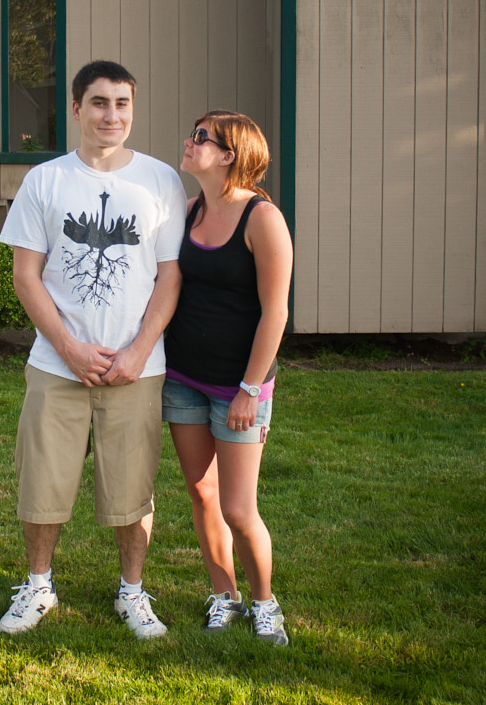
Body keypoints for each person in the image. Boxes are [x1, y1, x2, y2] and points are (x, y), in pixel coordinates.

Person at [0, 60, 186, 639]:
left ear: (133, 109)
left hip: (137, 369)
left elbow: (170, 278)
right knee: (43, 481)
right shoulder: (46, 180)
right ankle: (37, 584)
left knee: (133, 488)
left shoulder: (160, 182)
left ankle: (132, 591)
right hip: (57, 365)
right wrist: (71, 348)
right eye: (99, 103)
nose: (112, 115)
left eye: (123, 103)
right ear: (76, 109)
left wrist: (138, 352)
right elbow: (26, 276)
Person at [162, 110, 293, 644]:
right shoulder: (191, 210)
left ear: (229, 155)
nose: (189, 143)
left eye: (201, 138)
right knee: (200, 492)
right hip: (184, 378)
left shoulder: (262, 220)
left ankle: (265, 603)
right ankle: (225, 596)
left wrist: (247, 389)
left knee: (239, 508)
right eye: (192, 133)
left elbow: (275, 313)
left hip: (239, 387)